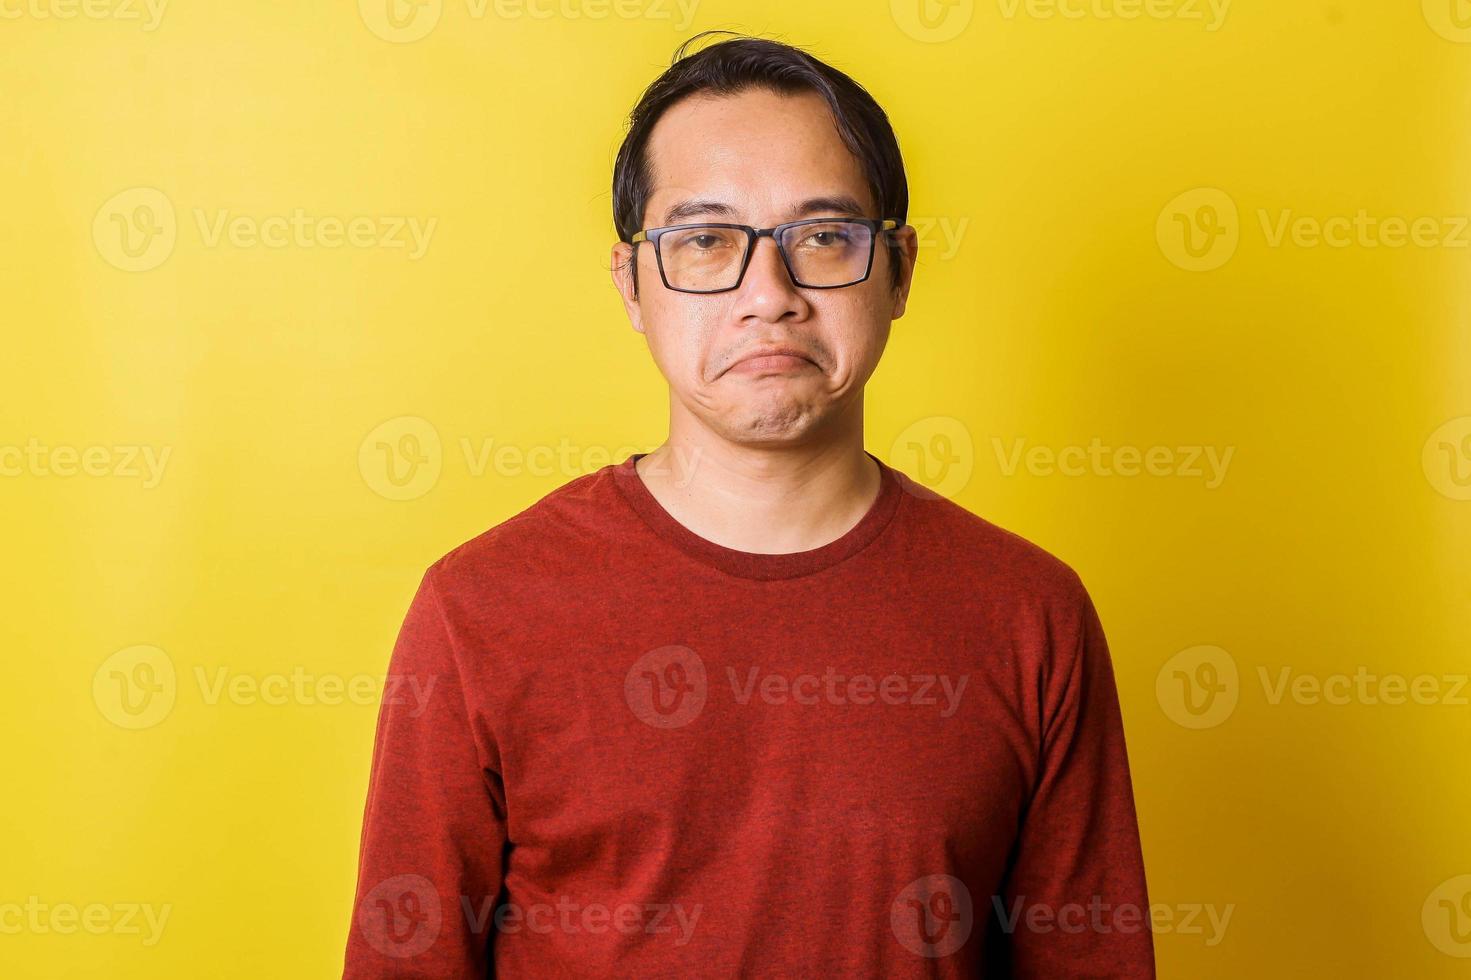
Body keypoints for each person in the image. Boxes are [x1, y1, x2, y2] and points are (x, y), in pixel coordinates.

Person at [343, 30, 1155, 978]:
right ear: (632, 284)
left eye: (822, 237)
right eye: (705, 241)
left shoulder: (1029, 613)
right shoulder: (479, 609)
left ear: (899, 270)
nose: (768, 295)